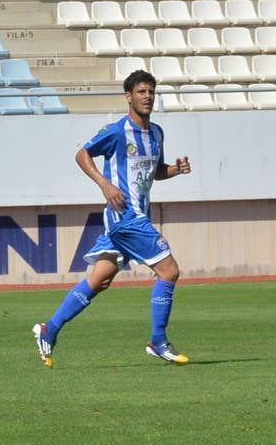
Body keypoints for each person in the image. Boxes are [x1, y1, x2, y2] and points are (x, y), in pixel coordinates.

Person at [32, 70, 194, 368]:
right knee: (169, 271)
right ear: (128, 96)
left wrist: (175, 169)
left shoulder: (156, 133)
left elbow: (154, 171)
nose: (147, 97)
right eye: (141, 92)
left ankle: (48, 329)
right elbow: (82, 154)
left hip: (129, 218)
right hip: (126, 216)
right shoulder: (117, 131)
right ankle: (157, 340)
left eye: (151, 92)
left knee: (100, 279)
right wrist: (104, 184)